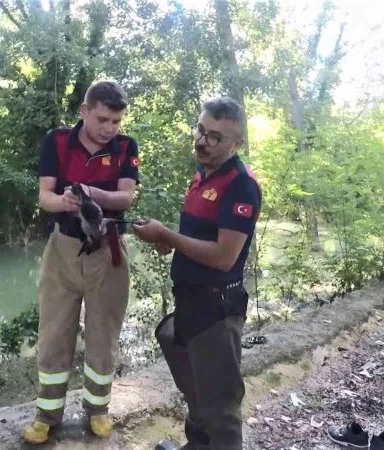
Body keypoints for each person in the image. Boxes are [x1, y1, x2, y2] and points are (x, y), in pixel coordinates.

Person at [133, 97, 261, 450]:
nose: (203, 141)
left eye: (215, 137)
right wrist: (167, 241)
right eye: (201, 130)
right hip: (189, 300)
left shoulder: (240, 185)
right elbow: (198, 238)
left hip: (216, 307)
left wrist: (168, 235)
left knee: (221, 407)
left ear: (237, 143)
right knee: (195, 390)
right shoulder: (202, 176)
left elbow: (223, 257)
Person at [23, 80, 140, 444]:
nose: (110, 128)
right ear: (84, 111)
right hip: (63, 248)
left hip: (109, 250)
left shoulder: (126, 147)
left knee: (104, 335)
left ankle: (98, 410)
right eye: (102, 119)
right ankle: (47, 414)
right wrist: (65, 202)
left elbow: (126, 198)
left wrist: (92, 194)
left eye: (116, 121)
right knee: (54, 333)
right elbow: (45, 196)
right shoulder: (57, 141)